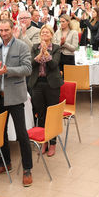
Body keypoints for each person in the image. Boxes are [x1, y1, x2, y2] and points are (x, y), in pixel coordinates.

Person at [0, 18, 34, 186]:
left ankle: (27, 169)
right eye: (1, 30)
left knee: (22, 134)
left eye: (6, 30)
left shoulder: (21, 46)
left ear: (13, 30)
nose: (4, 33)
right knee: (0, 133)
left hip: (15, 97)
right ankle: (5, 163)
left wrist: (8, 71)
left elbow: (27, 69)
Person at [29, 25, 63, 157]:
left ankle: (53, 143)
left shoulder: (56, 48)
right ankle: (44, 142)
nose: (44, 34)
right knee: (41, 114)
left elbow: (54, 64)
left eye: (47, 32)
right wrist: (40, 54)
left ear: (51, 34)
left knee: (52, 114)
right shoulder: (34, 47)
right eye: (42, 32)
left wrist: (46, 53)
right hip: (37, 83)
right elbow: (31, 64)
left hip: (52, 84)